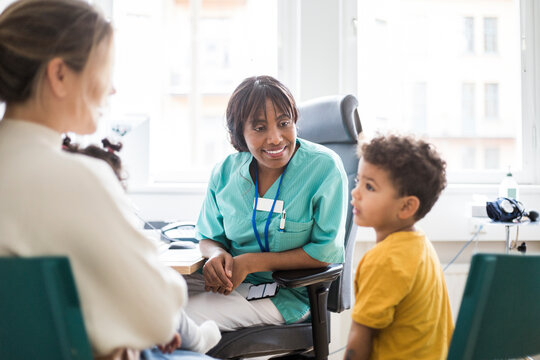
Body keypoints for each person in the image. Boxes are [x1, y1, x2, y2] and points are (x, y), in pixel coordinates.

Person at [0, 0, 217, 359]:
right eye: (106, 70)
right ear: (59, 75)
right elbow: (158, 313)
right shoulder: (76, 178)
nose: (112, 89)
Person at [185, 75, 348, 330]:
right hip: (230, 284)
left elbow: (326, 252)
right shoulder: (225, 172)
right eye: (260, 128)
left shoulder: (324, 168)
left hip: (284, 294)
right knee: (147, 298)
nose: (275, 138)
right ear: (238, 133)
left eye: (284, 123)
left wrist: (251, 262)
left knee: (178, 319)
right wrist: (216, 254)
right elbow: (207, 236)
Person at [61, 136, 221, 354]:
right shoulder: (112, 249)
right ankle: (198, 340)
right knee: (164, 300)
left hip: (64, 339)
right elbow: (161, 296)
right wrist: (158, 328)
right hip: (109, 343)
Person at [345, 135, 454, 360]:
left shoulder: (385, 260)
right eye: (358, 181)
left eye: (369, 187)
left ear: (406, 206)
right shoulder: (421, 245)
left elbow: (359, 341)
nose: (356, 193)